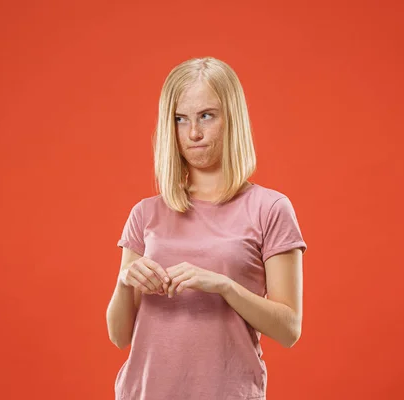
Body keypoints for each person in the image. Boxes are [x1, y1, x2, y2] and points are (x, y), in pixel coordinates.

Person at [106, 56, 308, 400]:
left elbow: (289, 329)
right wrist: (126, 282)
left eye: (206, 116)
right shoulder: (145, 214)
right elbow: (119, 336)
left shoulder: (270, 208)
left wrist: (224, 287)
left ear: (232, 119)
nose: (194, 133)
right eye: (180, 119)